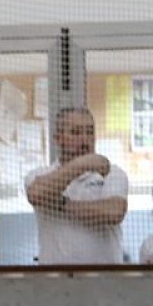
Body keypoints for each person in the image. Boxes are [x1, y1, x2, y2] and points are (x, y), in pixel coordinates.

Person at [25, 108, 128, 264]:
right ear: (58, 138)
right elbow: (36, 194)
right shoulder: (39, 174)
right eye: (75, 132)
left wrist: (62, 204)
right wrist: (81, 165)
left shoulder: (111, 172)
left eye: (90, 132)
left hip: (104, 275)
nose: (85, 140)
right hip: (55, 275)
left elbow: (114, 212)